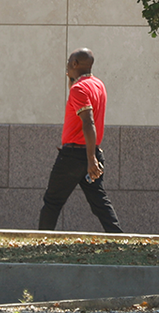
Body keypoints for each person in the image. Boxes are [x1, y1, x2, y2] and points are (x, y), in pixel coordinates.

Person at [38, 48, 123, 232]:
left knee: (52, 201)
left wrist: (91, 159)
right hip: (91, 153)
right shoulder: (98, 85)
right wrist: (92, 157)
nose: (67, 65)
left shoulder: (79, 89)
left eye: (69, 62)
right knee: (99, 201)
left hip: (74, 156)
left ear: (75, 64)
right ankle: (117, 237)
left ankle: (40, 241)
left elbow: (88, 121)